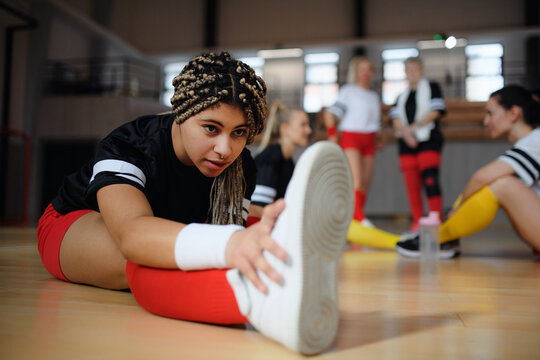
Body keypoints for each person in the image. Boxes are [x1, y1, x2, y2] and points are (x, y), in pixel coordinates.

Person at [36, 51, 354, 355]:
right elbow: (132, 234)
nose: (224, 149)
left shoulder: (241, 167)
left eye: (239, 132)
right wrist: (231, 243)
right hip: (74, 221)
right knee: (138, 258)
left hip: (169, 223)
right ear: (182, 112)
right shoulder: (129, 145)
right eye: (211, 128)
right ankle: (253, 302)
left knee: (255, 231)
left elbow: (225, 229)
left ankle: (291, 275)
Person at [396, 85, 540, 258]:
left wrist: (458, 208)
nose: (486, 121)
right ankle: (444, 237)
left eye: (490, 113)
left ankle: (441, 238)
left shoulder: (536, 139)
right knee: (500, 181)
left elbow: (481, 177)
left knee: (502, 185)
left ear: (513, 113)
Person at [389, 56, 446, 236]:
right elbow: (395, 118)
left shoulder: (432, 88)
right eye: (408, 69)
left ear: (421, 70)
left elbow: (436, 111)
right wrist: (406, 133)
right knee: (411, 184)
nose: (412, 73)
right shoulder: (401, 96)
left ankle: (435, 217)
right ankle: (416, 221)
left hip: (428, 139)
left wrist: (415, 128)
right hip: (406, 143)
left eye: (415, 69)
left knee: (430, 178)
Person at [323, 56, 382, 227]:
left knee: (364, 183)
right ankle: (360, 219)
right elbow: (330, 114)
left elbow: (375, 123)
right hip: (351, 138)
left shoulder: (373, 96)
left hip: (369, 139)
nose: (366, 73)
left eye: (369, 69)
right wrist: (332, 134)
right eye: (362, 69)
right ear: (355, 72)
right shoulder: (348, 91)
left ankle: (355, 220)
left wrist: (380, 138)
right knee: (355, 181)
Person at [248, 101, 311, 222]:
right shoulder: (270, 160)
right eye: (303, 125)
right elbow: (256, 211)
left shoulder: (287, 160)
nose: (309, 130)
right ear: (285, 129)